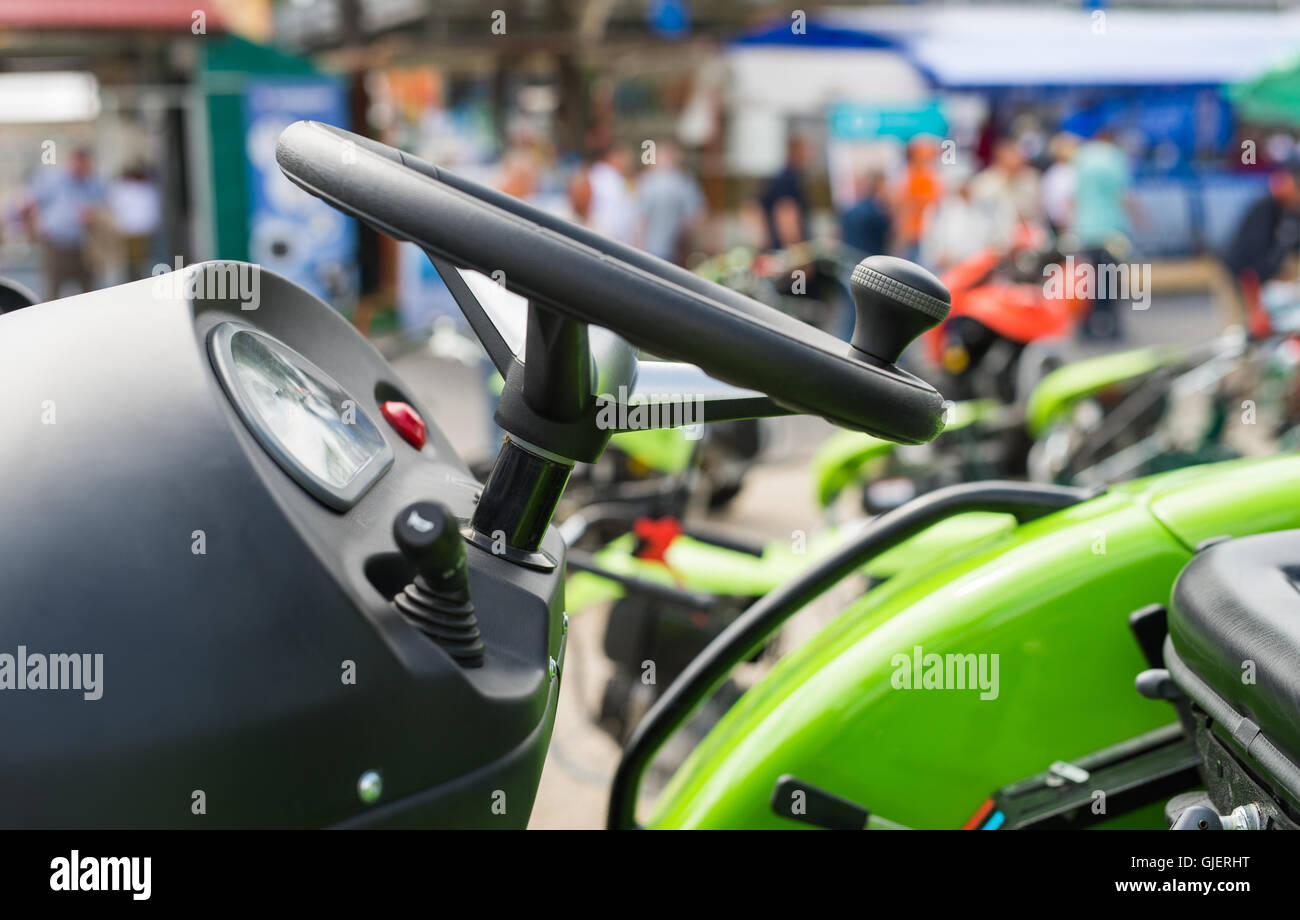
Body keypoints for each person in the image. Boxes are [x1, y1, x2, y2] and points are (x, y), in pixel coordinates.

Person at [1072, 130, 1135, 339]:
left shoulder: (1082, 156)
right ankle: (1113, 327)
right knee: (1111, 279)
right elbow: (1122, 195)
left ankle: (1086, 328)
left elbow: (1075, 195)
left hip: (1087, 230)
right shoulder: (1116, 158)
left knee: (1089, 281)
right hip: (1111, 230)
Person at [1222, 167, 1300, 334]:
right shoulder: (1264, 208)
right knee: (1246, 330)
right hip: (1243, 276)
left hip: (1266, 280)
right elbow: (1248, 263)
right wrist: (1255, 306)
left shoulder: (1291, 213)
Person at [22, 147, 106, 300]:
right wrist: (34, 227)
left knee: (89, 289)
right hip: (56, 242)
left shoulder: (93, 183)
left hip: (83, 243)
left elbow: (103, 205)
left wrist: (93, 215)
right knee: (53, 288)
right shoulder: (52, 180)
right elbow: (31, 204)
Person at [635, 140, 704, 264]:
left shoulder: (647, 181)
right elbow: (695, 217)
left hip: (649, 249)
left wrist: (638, 247)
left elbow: (640, 220)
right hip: (674, 251)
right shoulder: (684, 182)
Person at [968, 138, 1041, 248]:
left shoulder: (1030, 179)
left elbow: (1032, 212)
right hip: (990, 240)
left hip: (1023, 241)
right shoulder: (984, 182)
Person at [893, 136, 944, 262]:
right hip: (914, 233)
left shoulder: (928, 175)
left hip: (927, 232)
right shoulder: (910, 176)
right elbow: (904, 206)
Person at [107, 164, 161, 281]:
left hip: (141, 233)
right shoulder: (123, 190)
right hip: (128, 234)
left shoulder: (145, 189)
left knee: (142, 263)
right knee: (130, 265)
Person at [759, 135, 811, 250]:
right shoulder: (787, 179)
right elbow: (786, 216)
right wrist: (796, 251)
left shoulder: (787, 176)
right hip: (789, 251)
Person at [585, 144, 637, 244]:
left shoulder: (613, 178)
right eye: (625, 158)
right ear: (614, 157)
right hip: (607, 238)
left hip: (608, 238)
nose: (628, 163)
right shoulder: (608, 177)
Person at [839, 170, 892, 258]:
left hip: (852, 260)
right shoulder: (875, 213)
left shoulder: (849, 211)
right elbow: (889, 236)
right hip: (871, 260)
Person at [1041, 132, 1079, 235]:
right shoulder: (1065, 172)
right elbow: (1068, 201)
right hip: (1067, 226)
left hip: (1058, 224)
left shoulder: (1050, 173)